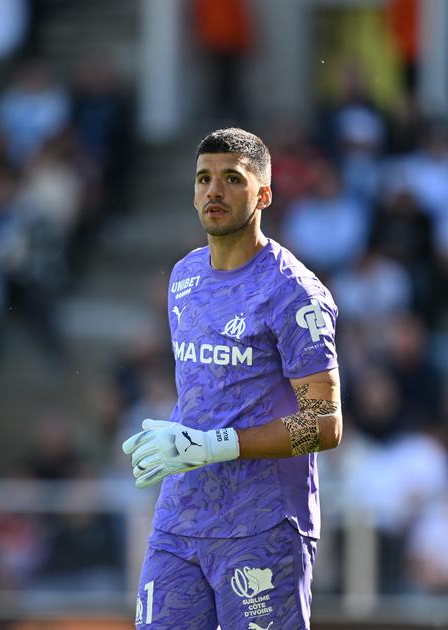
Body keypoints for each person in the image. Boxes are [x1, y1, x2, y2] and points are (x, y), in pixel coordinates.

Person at [122, 128, 343, 629]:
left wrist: (217, 444)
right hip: (180, 520)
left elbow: (325, 425)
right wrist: (178, 438)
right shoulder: (184, 276)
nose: (213, 191)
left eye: (231, 179)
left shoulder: (295, 294)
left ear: (263, 194)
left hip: (262, 526)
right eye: (203, 179)